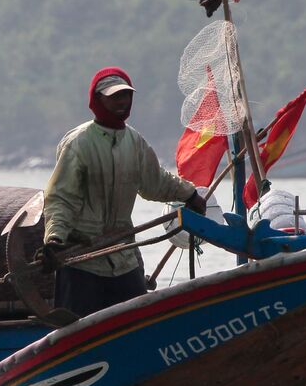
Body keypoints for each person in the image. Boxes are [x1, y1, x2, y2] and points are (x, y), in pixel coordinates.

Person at [41, 68, 208, 317]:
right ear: (97, 100)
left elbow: (156, 181)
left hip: (123, 255)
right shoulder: (79, 143)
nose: (122, 102)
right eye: (114, 96)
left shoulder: (135, 142)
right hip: (82, 259)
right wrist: (54, 237)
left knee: (137, 323)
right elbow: (61, 197)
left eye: (126, 96)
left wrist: (190, 195)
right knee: (80, 331)